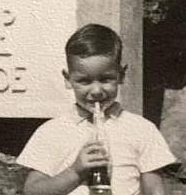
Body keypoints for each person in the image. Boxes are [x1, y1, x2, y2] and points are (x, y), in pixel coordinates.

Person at [17, 23, 176, 195]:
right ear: (68, 79)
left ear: (121, 76)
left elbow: (154, 189)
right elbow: (32, 190)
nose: (96, 91)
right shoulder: (51, 132)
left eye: (106, 79)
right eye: (84, 81)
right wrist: (75, 172)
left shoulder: (141, 129)